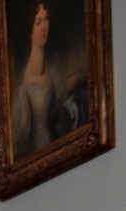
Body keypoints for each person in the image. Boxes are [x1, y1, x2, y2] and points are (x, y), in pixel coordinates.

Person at [11, 2, 80, 159]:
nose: (44, 27)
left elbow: (63, 102)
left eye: (46, 19)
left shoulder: (53, 75)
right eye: (38, 22)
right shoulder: (22, 89)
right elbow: (19, 138)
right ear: (30, 31)